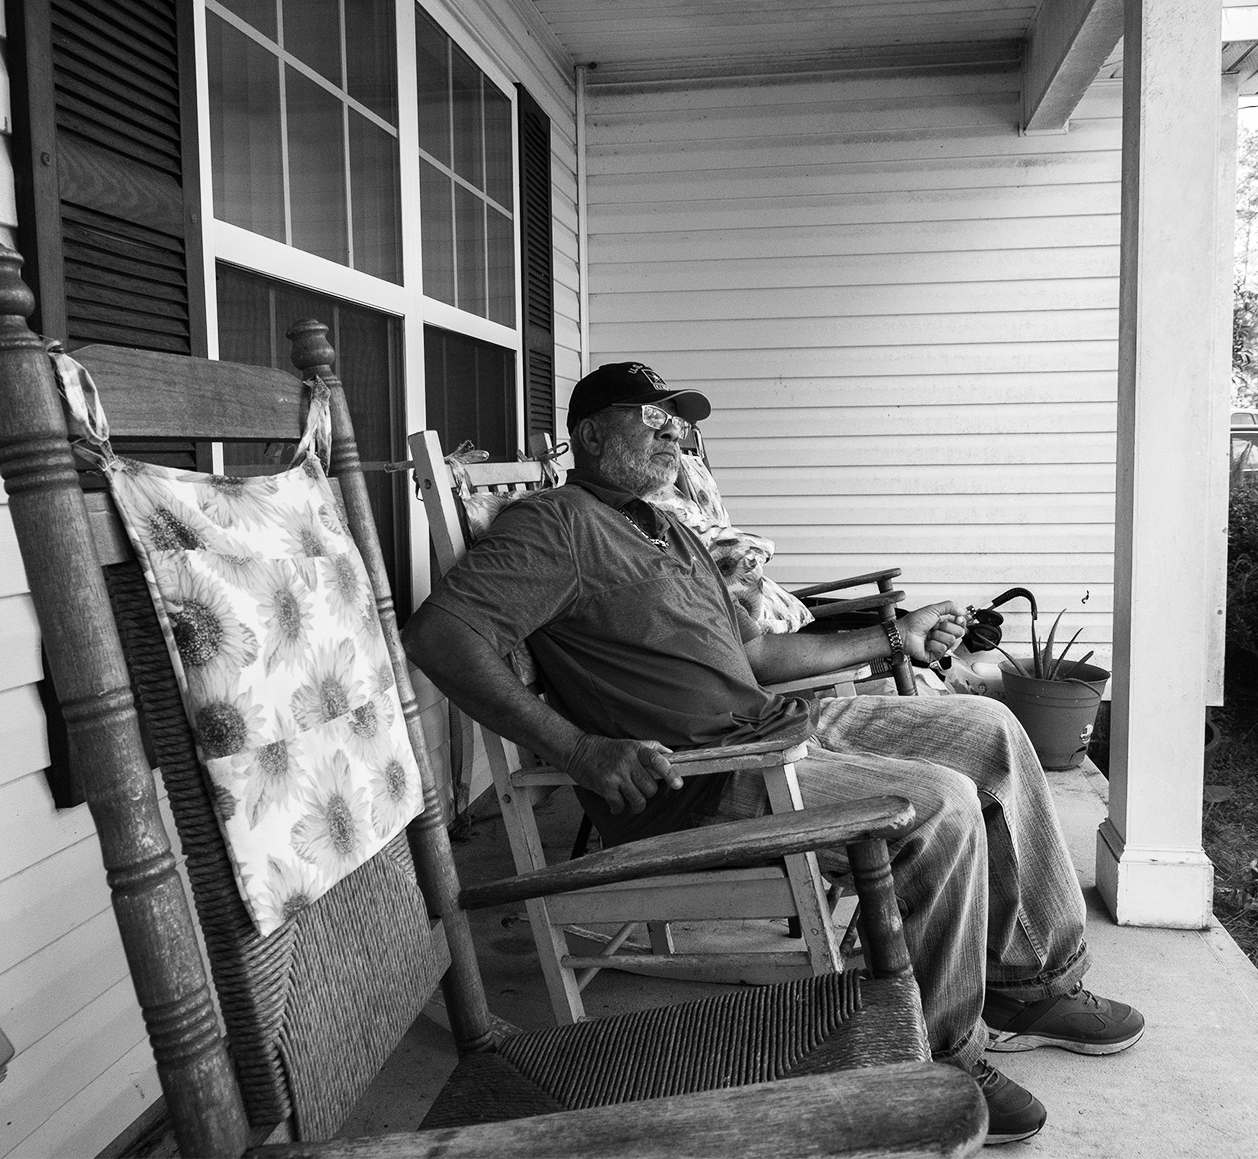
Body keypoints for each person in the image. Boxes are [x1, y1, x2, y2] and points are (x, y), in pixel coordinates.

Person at [403, 362, 1144, 1145]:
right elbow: (439, 636)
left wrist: (896, 636)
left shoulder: (669, 527)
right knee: (942, 805)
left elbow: (755, 657)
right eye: (648, 419)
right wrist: (580, 749)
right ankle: (946, 1055)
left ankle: (1034, 982)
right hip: (709, 779)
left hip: (775, 725)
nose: (671, 435)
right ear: (589, 435)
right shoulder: (555, 525)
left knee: (988, 728)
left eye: (677, 423)